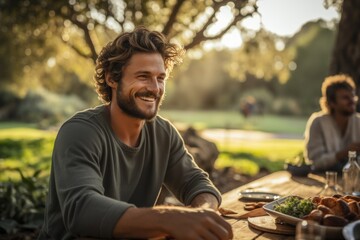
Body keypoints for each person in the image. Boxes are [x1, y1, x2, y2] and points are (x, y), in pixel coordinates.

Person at [38, 27, 233, 240]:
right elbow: (82, 209)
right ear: (112, 78)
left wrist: (202, 212)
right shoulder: (79, 132)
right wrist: (170, 219)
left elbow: (197, 183)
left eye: (160, 78)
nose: (155, 88)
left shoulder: (163, 133)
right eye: (143, 76)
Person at [304, 74, 360, 172]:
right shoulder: (318, 122)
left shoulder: (358, 122)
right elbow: (315, 162)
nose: (352, 101)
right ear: (331, 103)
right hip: (323, 180)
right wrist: (344, 153)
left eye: (353, 96)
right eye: (345, 98)